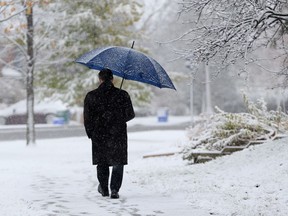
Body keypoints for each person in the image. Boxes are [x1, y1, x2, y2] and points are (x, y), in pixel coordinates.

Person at [83, 68, 135, 199]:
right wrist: (116, 117)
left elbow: (87, 118)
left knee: (102, 162)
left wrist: (91, 133)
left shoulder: (91, 96)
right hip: (118, 134)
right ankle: (114, 189)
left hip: (99, 134)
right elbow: (130, 114)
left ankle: (104, 188)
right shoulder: (122, 95)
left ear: (100, 79)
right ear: (112, 79)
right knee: (118, 162)